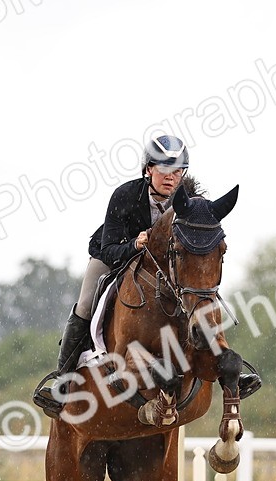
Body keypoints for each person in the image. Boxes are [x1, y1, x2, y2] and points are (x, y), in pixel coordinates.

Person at [33, 134, 259, 416]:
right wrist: (134, 245)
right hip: (113, 256)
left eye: (177, 171)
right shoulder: (126, 196)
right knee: (86, 303)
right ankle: (62, 382)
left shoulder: (191, 203)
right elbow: (110, 248)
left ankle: (227, 365)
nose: (171, 177)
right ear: (148, 169)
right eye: (163, 170)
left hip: (167, 273)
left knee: (200, 297)